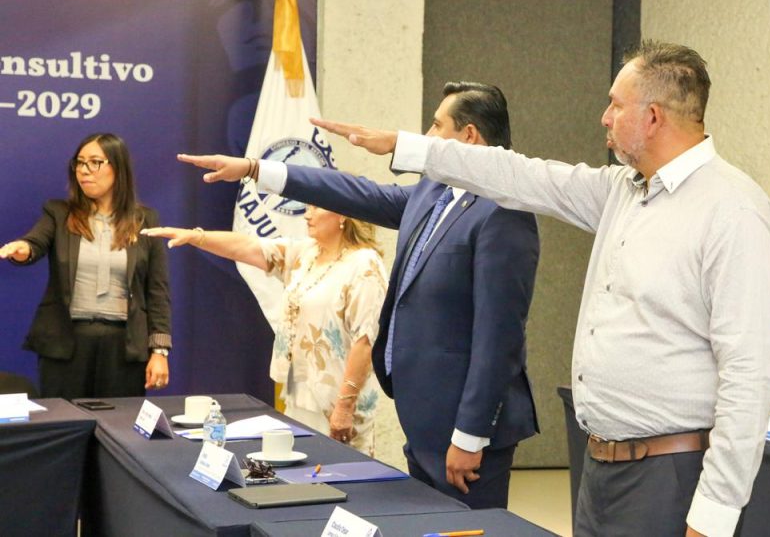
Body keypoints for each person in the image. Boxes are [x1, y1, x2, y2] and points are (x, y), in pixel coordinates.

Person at [291, 41, 770, 537]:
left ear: (652, 117)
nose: (604, 117)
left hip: (670, 474)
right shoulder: (623, 190)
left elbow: (750, 374)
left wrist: (714, 515)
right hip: (601, 467)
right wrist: (408, 147)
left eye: (615, 104)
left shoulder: (731, 210)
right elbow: (522, 175)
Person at [179, 81, 540, 509]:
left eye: (436, 125)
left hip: (465, 434)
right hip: (423, 420)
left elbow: (499, 338)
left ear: (469, 136)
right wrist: (257, 169)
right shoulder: (434, 192)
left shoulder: (503, 210)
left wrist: (470, 435)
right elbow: (356, 193)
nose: (427, 135)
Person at [142, 206, 386, 454]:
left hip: (337, 405)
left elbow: (365, 341)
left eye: (316, 207)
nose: (307, 214)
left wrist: (344, 406)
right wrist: (196, 237)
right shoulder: (307, 253)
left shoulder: (363, 264)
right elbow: (248, 247)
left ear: (343, 214)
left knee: (340, 471)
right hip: (299, 396)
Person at [0, 133, 171, 398]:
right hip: (66, 344)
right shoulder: (59, 213)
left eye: (94, 162)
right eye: (79, 163)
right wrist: (22, 250)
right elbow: (35, 243)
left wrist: (159, 351)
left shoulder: (145, 220)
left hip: (124, 347)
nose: (84, 170)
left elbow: (157, 291)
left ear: (118, 168)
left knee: (118, 421)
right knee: (64, 420)